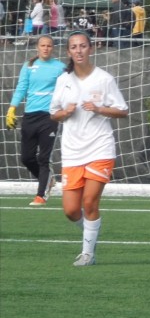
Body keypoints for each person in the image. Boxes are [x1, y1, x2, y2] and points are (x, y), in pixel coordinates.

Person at [49, 31, 129, 266]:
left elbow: (123, 110)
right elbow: (54, 114)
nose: (79, 50)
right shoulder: (63, 81)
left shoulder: (104, 79)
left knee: (90, 202)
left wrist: (100, 108)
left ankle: (87, 253)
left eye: (83, 46)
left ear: (91, 49)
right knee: (71, 211)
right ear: (68, 52)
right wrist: (66, 113)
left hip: (100, 148)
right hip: (72, 151)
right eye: (74, 47)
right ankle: (91, 232)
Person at [6, 35, 65, 206]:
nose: (46, 48)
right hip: (30, 116)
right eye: (43, 45)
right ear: (37, 47)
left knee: (44, 158)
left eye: (49, 45)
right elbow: (21, 88)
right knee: (26, 158)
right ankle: (47, 179)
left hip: (49, 117)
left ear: (52, 48)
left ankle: (41, 195)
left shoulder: (60, 67)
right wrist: (12, 108)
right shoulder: (29, 66)